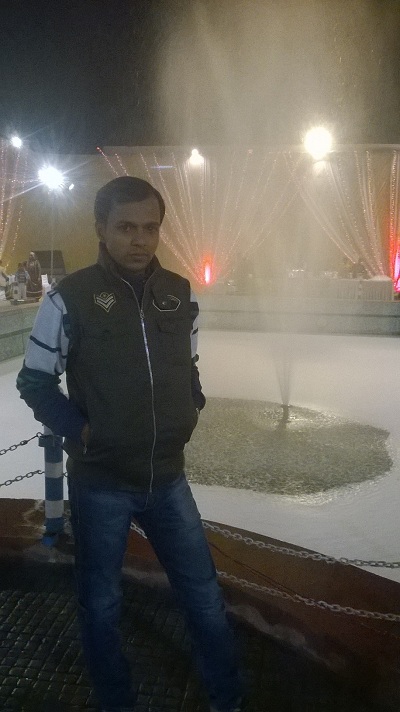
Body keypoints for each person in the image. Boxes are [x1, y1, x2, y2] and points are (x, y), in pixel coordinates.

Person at [16, 176, 244, 712]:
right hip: (102, 484)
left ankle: (228, 698)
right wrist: (83, 432)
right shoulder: (69, 299)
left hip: (168, 478)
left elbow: (188, 363)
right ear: (101, 228)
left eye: (150, 227)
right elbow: (34, 381)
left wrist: (191, 402)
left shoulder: (179, 293)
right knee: (101, 605)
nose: (140, 239)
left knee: (205, 598)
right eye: (126, 228)